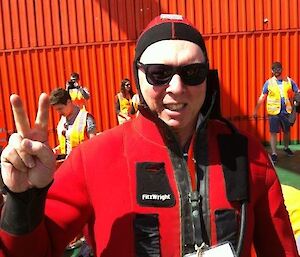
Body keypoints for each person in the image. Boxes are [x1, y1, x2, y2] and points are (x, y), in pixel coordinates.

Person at [0, 14, 298, 257]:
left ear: (208, 77)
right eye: (159, 73)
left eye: (192, 72)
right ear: (138, 75)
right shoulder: (92, 159)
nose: (177, 87)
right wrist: (23, 201)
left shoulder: (248, 155)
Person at [253, 62, 299, 164]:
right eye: (275, 69)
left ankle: (286, 147)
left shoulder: (288, 80)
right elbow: (263, 96)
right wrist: (256, 109)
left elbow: (297, 91)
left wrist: (296, 99)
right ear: (272, 71)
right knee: (273, 132)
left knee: (286, 131)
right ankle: (274, 153)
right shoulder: (268, 83)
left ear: (282, 69)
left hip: (286, 111)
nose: (277, 71)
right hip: (273, 112)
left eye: (279, 69)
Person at [50, 88, 97, 159]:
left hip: (83, 162)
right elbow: (68, 142)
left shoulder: (86, 118)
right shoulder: (63, 120)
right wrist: (57, 150)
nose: (59, 112)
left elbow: (94, 145)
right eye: (56, 110)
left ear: (69, 102)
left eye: (60, 109)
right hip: (67, 164)